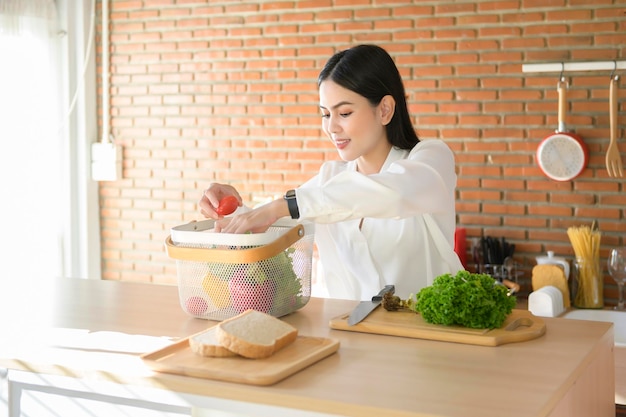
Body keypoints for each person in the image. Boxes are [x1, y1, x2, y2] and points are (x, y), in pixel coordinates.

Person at [199, 44, 463, 301]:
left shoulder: (431, 159)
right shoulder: (329, 181)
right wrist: (231, 208)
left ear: (384, 109)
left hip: (424, 341)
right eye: (325, 114)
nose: (332, 127)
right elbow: (271, 227)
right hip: (347, 340)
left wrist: (284, 205)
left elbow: (395, 195)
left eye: (344, 113)